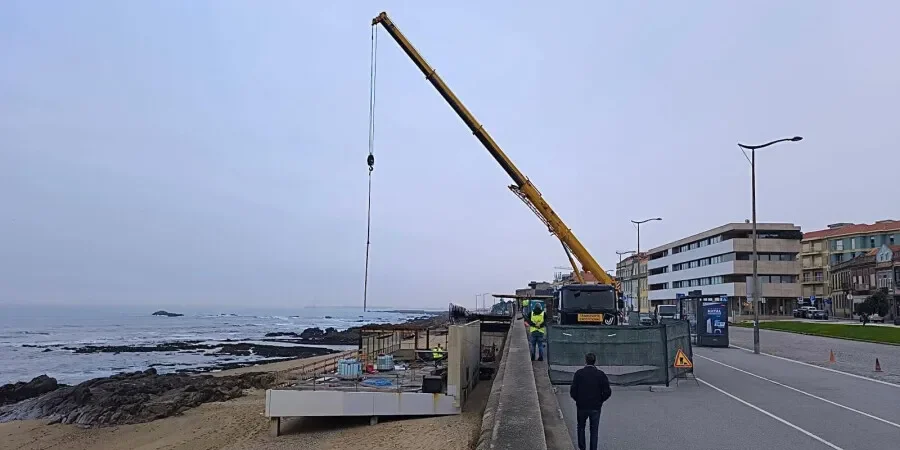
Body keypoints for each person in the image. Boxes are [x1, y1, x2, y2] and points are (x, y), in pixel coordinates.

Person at [569, 352, 612, 450]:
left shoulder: (579, 374)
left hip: (582, 406)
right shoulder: (600, 375)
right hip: (595, 406)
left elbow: (573, 391)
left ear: (585, 361)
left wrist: (578, 400)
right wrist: (600, 400)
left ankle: (582, 448)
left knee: (580, 427)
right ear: (595, 361)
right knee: (594, 430)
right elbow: (607, 391)